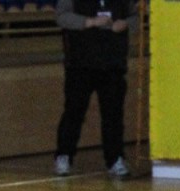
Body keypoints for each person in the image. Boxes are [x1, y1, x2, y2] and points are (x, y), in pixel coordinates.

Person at [52, 0, 138, 178]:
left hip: (113, 63)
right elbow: (61, 17)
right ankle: (64, 155)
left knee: (113, 115)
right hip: (80, 63)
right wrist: (89, 22)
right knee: (74, 112)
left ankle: (115, 159)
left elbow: (136, 17)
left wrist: (125, 24)